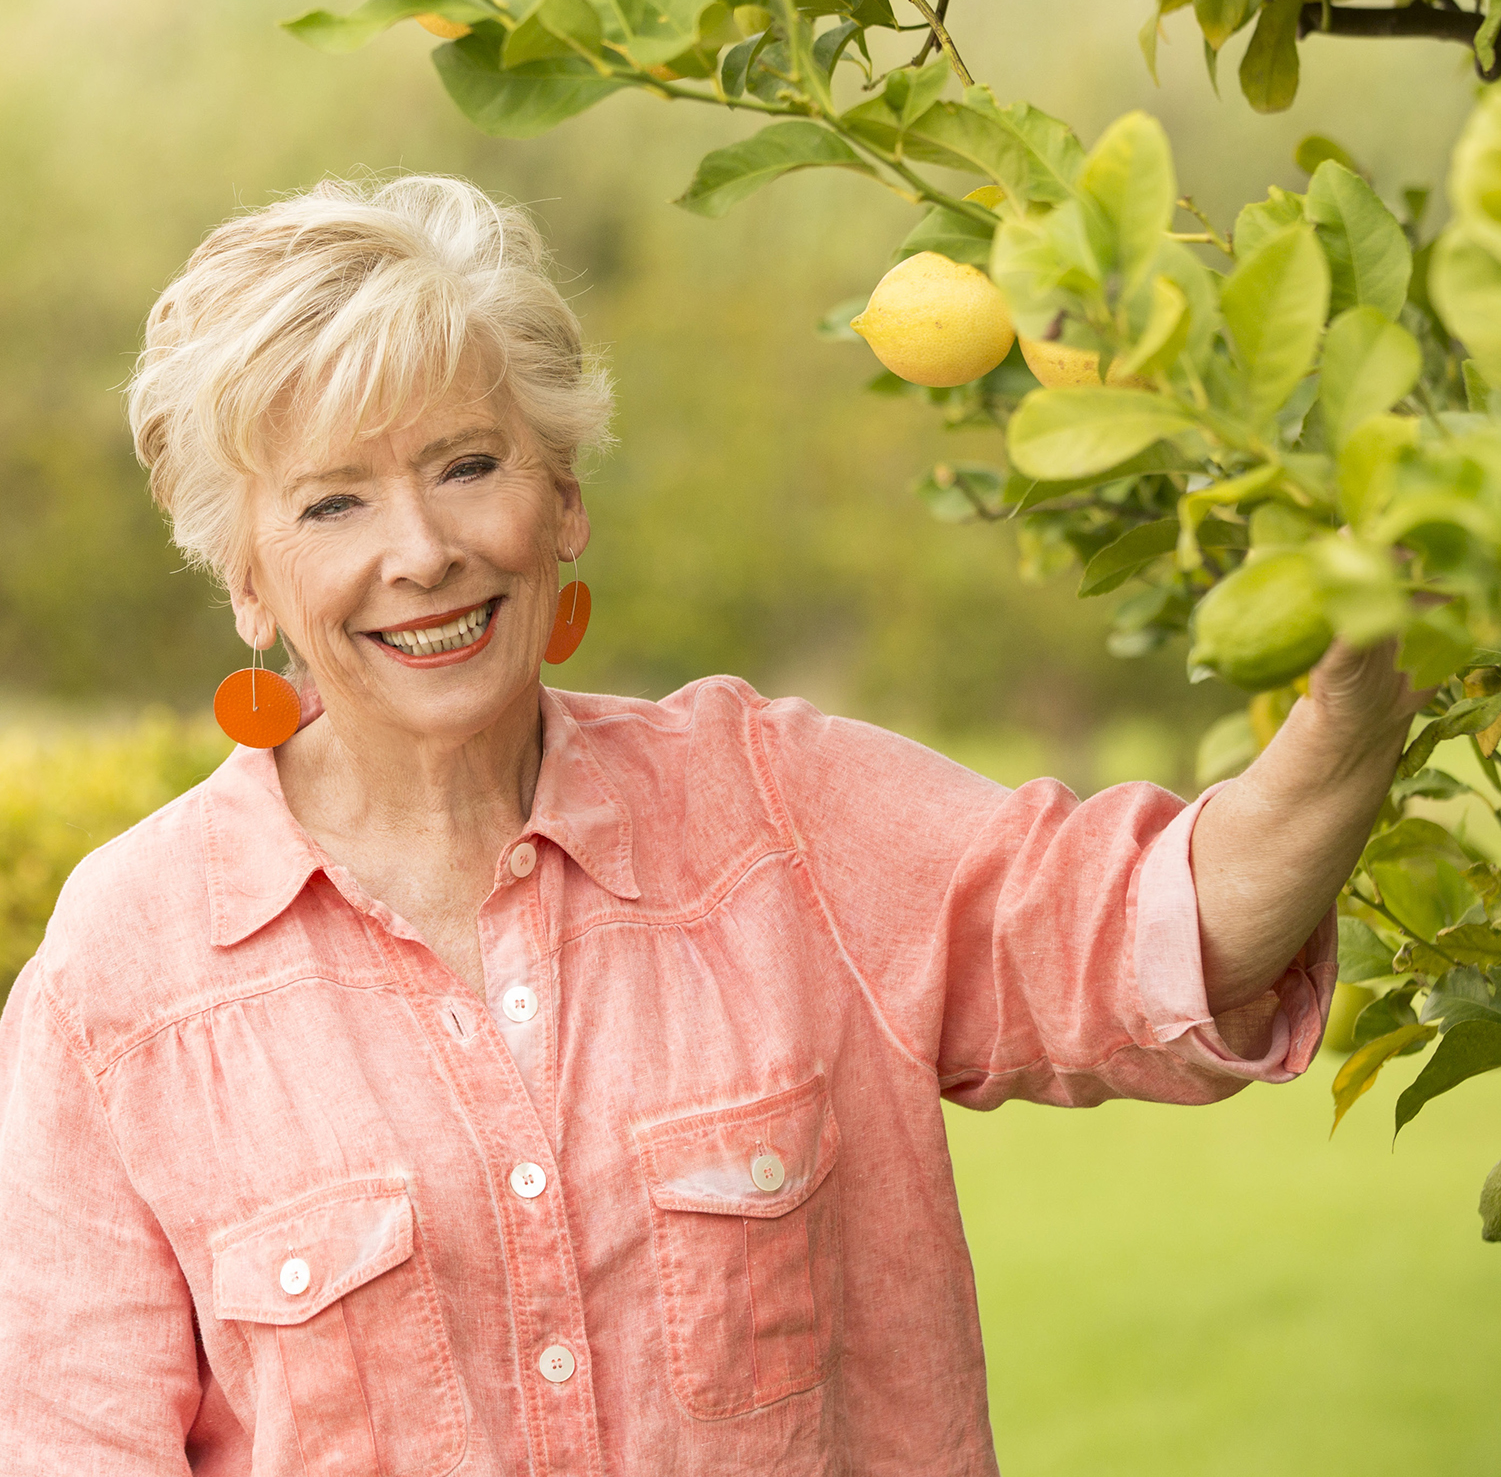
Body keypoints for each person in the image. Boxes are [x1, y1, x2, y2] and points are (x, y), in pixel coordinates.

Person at [0, 174, 1416, 1476]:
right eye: (331, 502)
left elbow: (1173, 936)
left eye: (467, 464)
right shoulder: (122, 975)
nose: (420, 550)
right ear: (248, 580)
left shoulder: (779, 813)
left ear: (564, 498)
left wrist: (1365, 683)